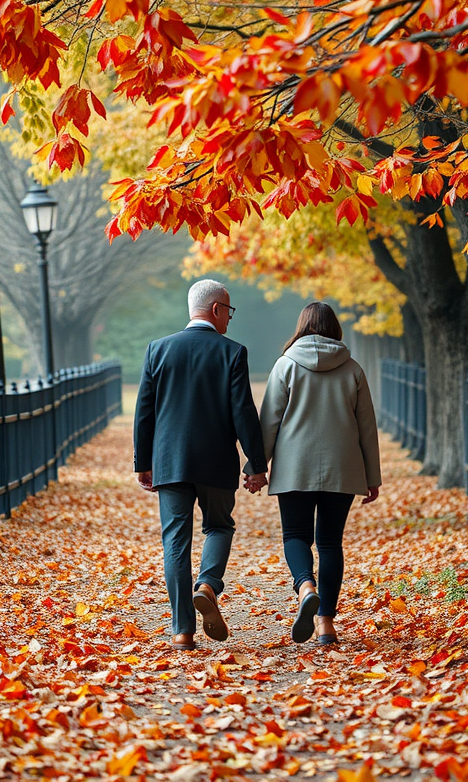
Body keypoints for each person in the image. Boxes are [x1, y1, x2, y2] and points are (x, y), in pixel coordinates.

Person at [134, 279, 268, 651]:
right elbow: (243, 412)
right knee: (220, 526)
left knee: (175, 541)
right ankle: (207, 584)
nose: (230, 318)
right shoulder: (232, 352)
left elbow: (144, 411)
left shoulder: (157, 350)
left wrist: (142, 462)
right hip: (216, 461)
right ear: (216, 310)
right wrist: (254, 464)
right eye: (229, 310)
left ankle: (182, 630)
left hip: (170, 461)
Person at [248, 301, 381, 646]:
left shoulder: (285, 365)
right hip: (343, 467)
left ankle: (306, 585)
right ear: (335, 328)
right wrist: (372, 476)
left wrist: (256, 468)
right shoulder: (352, 368)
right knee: (330, 542)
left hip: (295, 466)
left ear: (302, 326)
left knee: (295, 535)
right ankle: (326, 624)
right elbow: (367, 426)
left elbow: (269, 423)